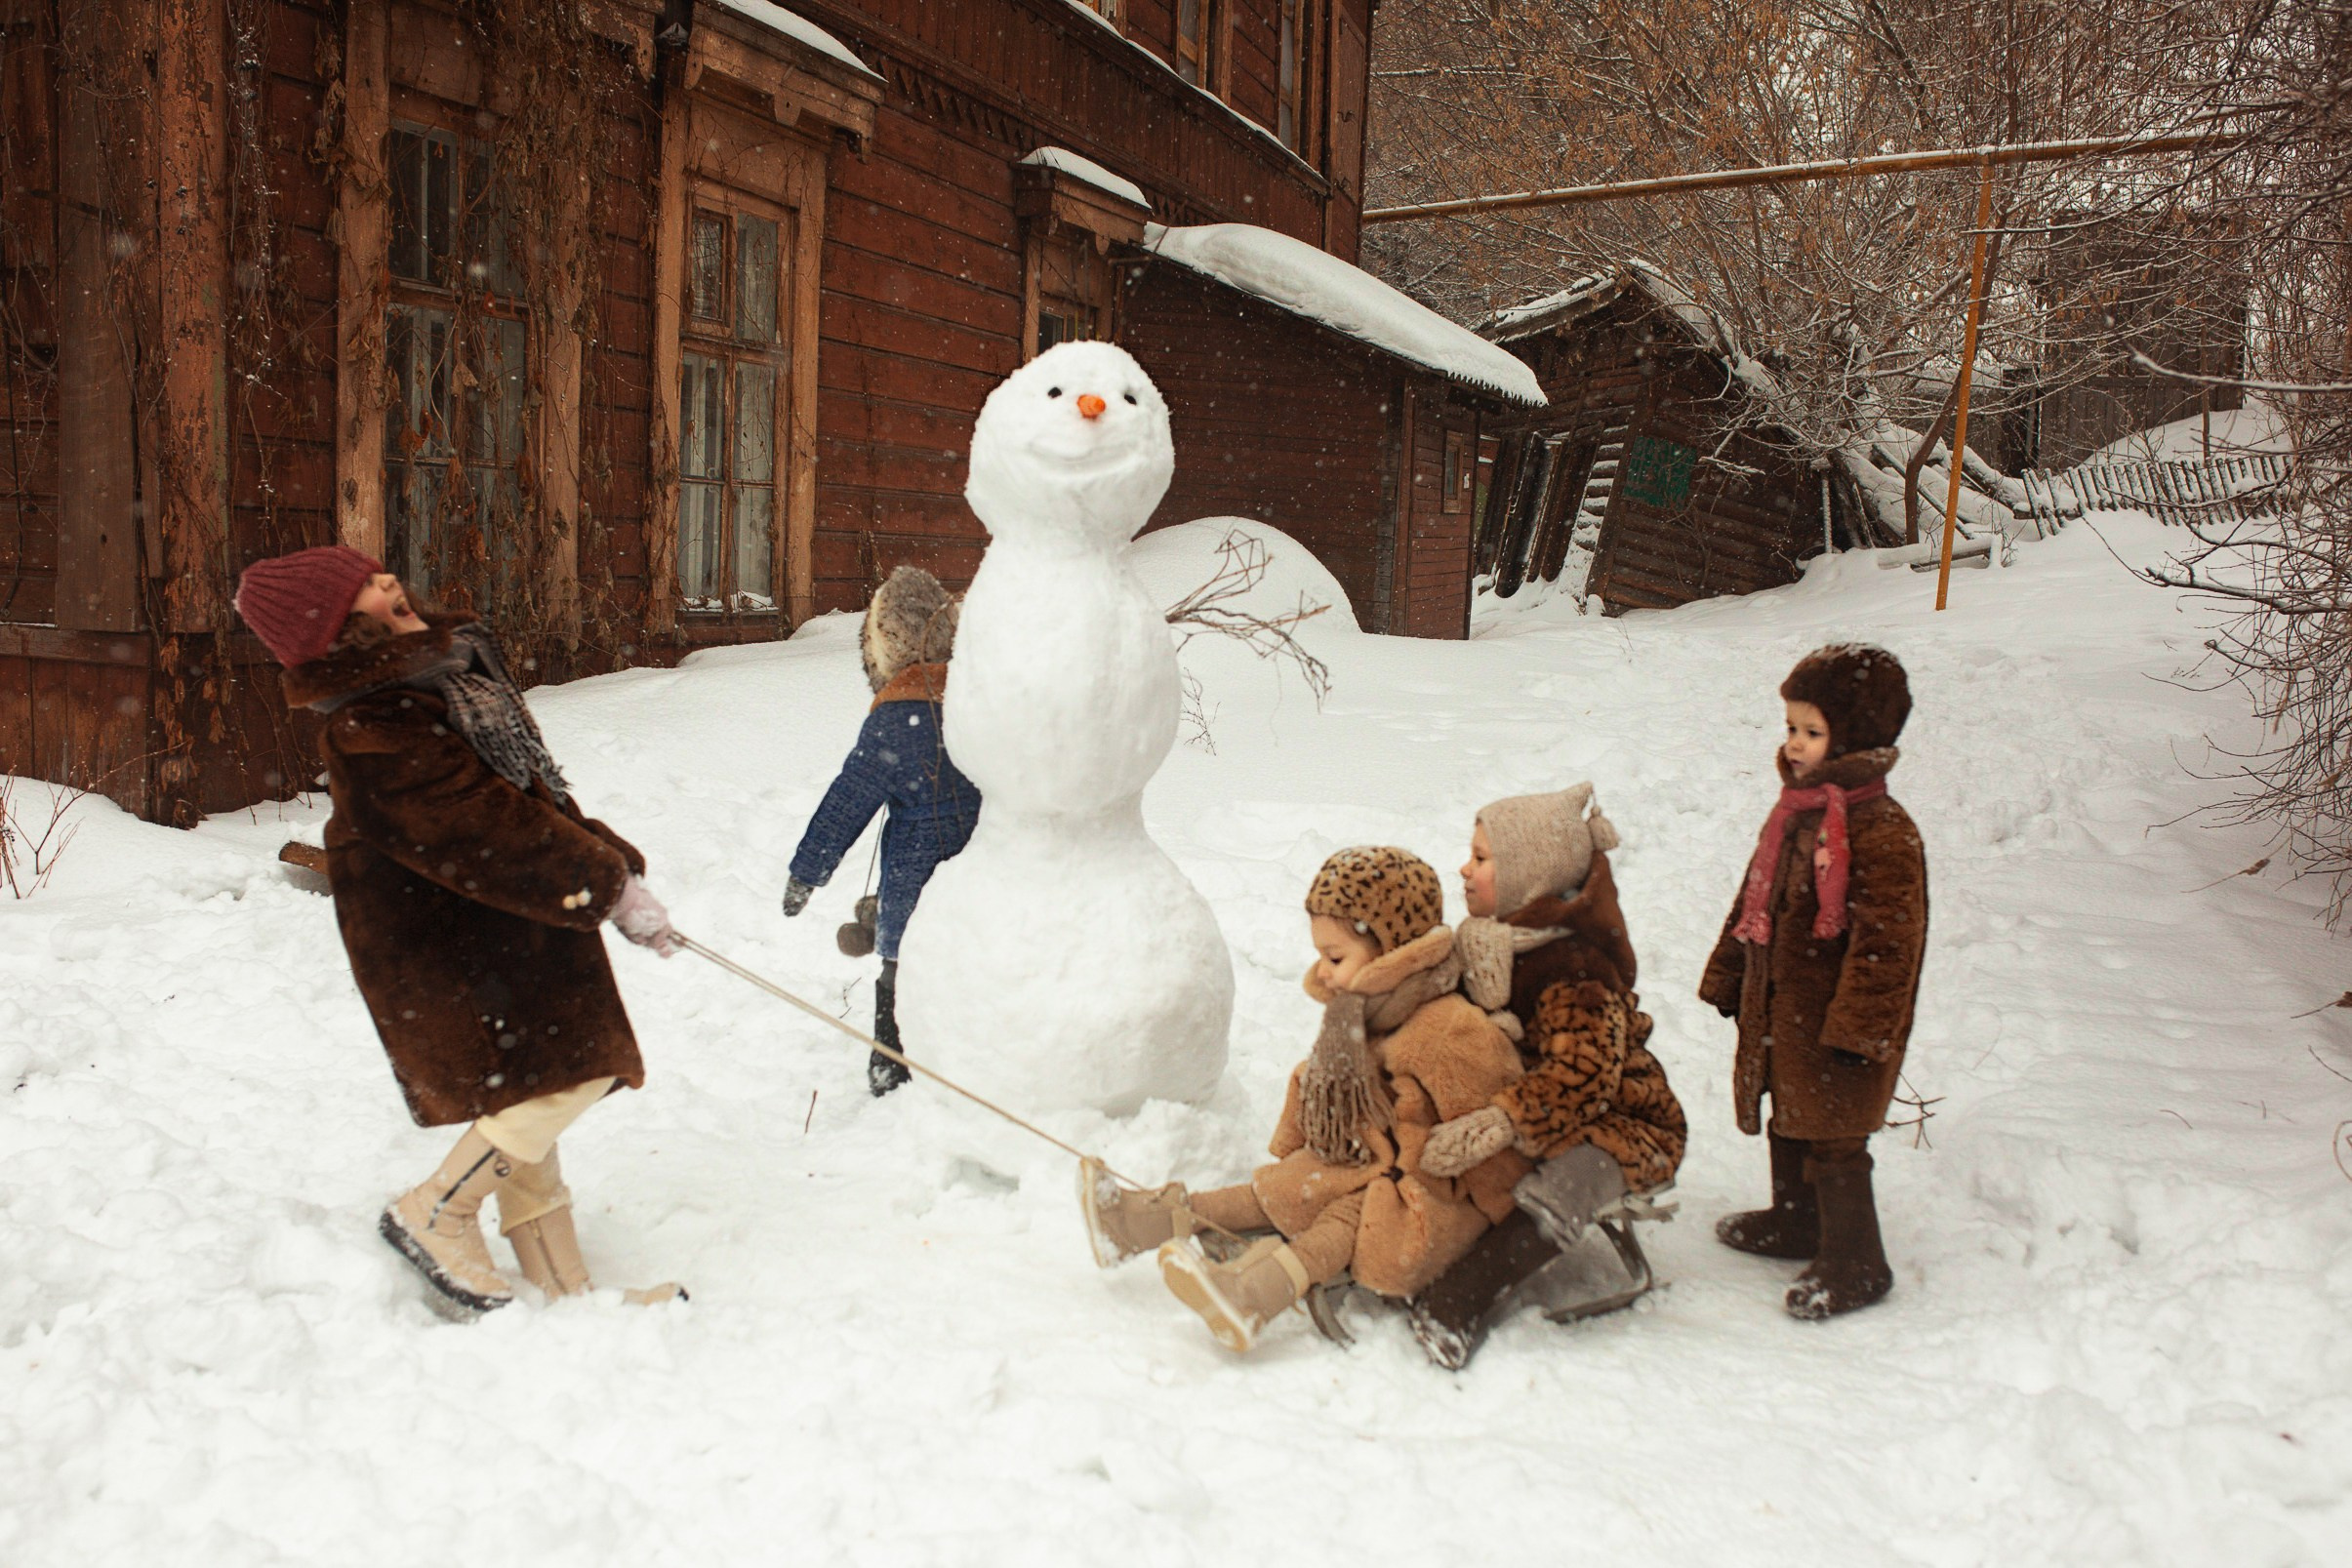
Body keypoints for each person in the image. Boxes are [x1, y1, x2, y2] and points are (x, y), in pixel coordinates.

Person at [236, 545, 682, 1314]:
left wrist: (612, 870)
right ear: (336, 631)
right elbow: (483, 826)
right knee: (568, 1073)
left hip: (504, 923)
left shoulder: (446, 676)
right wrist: (604, 884)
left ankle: (566, 1294)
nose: (387, 582)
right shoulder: (373, 723)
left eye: (378, 571)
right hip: (450, 946)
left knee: (533, 1087)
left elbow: (525, 797)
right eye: (361, 591)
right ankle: (437, 1209)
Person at [1078, 848, 1529, 1352]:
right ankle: (1139, 1223)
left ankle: (1255, 1294)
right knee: (1284, 1186)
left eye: (1336, 957)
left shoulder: (1448, 1030)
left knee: (1349, 1213)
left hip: (1431, 1190)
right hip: (1369, 1159)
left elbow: (1499, 1128)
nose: (1325, 972)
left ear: (1392, 951)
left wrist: (1495, 1217)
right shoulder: (1359, 1014)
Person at [1407, 786, 1686, 1367]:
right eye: (1470, 853)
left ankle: (1461, 1295)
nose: (1464, 868)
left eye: (1481, 859)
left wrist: (1501, 1121)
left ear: (1526, 877)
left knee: (1569, 1180)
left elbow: (1585, 1078)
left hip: (1623, 1124)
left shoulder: (1574, 970)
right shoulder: (1491, 944)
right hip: (1542, 1103)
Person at [1699, 644, 1928, 1319]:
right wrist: (1728, 972)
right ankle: (1796, 1219)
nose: (1794, 744)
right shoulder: (1798, 813)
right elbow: (1755, 901)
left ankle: (1858, 1259)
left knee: (1835, 1135)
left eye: (1811, 730)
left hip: (1837, 1024)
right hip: (1783, 1007)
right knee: (1791, 1114)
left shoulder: (1883, 830)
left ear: (1853, 736)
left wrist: (1862, 1027)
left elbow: (1891, 940)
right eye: (1791, 728)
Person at [780, 567, 981, 1095]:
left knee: (900, 969)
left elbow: (849, 800)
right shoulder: (979, 705)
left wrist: (807, 872)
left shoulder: (896, 720)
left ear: (883, 648)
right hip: (984, 870)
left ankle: (890, 1067)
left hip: (916, 878)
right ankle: (971, 1061)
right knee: (972, 968)